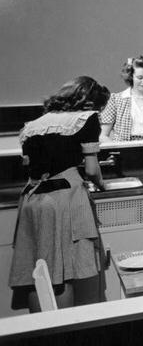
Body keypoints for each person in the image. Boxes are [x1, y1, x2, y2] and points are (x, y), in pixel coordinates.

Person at [9, 77, 112, 310]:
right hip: (65, 198)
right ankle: (67, 332)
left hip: (32, 199)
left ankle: (44, 332)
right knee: (62, 272)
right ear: (89, 102)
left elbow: (31, 166)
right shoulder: (86, 119)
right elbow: (92, 169)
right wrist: (102, 184)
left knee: (40, 271)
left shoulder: (32, 125)